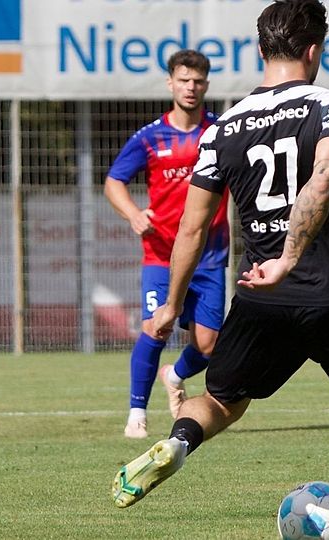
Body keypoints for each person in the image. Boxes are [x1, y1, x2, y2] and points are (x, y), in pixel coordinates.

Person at [110, 2, 329, 539]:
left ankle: (178, 442)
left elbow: (191, 228)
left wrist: (171, 306)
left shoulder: (222, 128)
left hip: (259, 296)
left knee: (221, 402)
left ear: (260, 49)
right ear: (314, 50)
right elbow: (325, 175)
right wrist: (291, 257)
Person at [104, 50, 229, 439]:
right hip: (161, 255)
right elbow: (113, 182)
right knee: (156, 327)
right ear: (170, 83)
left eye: (198, 81)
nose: (191, 87)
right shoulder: (150, 137)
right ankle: (137, 414)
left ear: (206, 85)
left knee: (208, 346)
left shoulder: (220, 133)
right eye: (184, 80)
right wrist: (133, 214)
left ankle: (174, 375)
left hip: (209, 256)